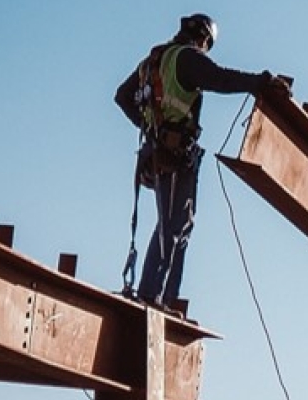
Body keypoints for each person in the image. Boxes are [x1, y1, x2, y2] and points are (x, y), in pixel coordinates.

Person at [114, 13, 289, 316]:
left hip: (160, 151)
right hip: (173, 154)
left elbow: (122, 96)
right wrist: (261, 82)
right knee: (173, 226)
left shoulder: (153, 61)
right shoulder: (186, 59)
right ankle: (153, 297)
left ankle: (160, 297)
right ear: (204, 39)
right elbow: (220, 78)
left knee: (178, 224)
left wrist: (149, 126)